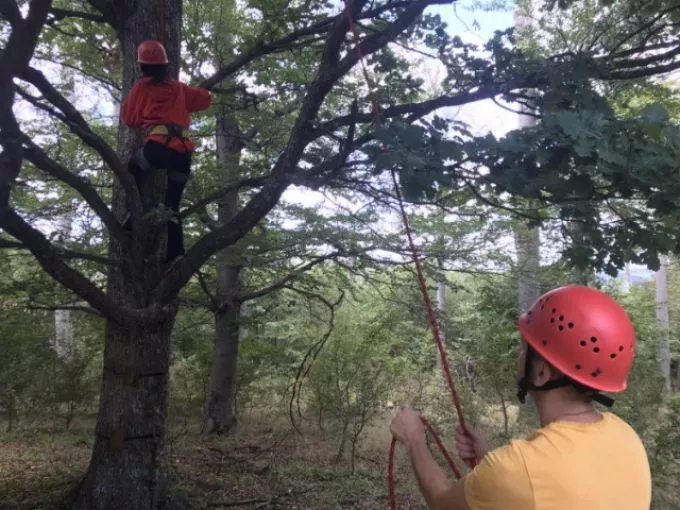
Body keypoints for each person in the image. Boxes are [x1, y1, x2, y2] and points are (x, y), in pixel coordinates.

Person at [390, 285, 652, 510]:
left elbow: (442, 502)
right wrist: (486, 460)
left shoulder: (518, 468)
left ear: (540, 372)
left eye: (523, 349)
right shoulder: (626, 437)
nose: (518, 357)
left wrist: (414, 439)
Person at [121, 39, 212, 267]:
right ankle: (175, 255)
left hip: (158, 149)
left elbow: (130, 119)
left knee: (133, 168)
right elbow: (205, 99)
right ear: (165, 64)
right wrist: (186, 97)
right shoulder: (179, 88)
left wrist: (148, 116)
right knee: (172, 206)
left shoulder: (142, 87)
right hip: (183, 153)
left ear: (142, 67)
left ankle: (134, 219)